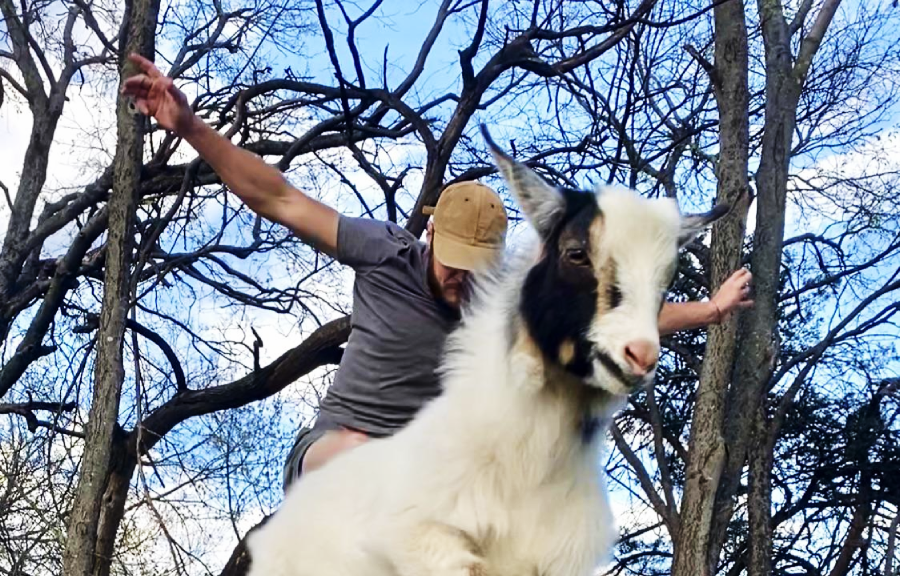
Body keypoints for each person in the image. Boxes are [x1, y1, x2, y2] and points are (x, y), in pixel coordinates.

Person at [122, 55, 754, 488]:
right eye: (454, 265)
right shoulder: (382, 251)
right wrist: (188, 125)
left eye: (476, 269)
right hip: (333, 454)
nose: (462, 281)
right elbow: (278, 196)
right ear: (430, 237)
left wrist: (711, 309)